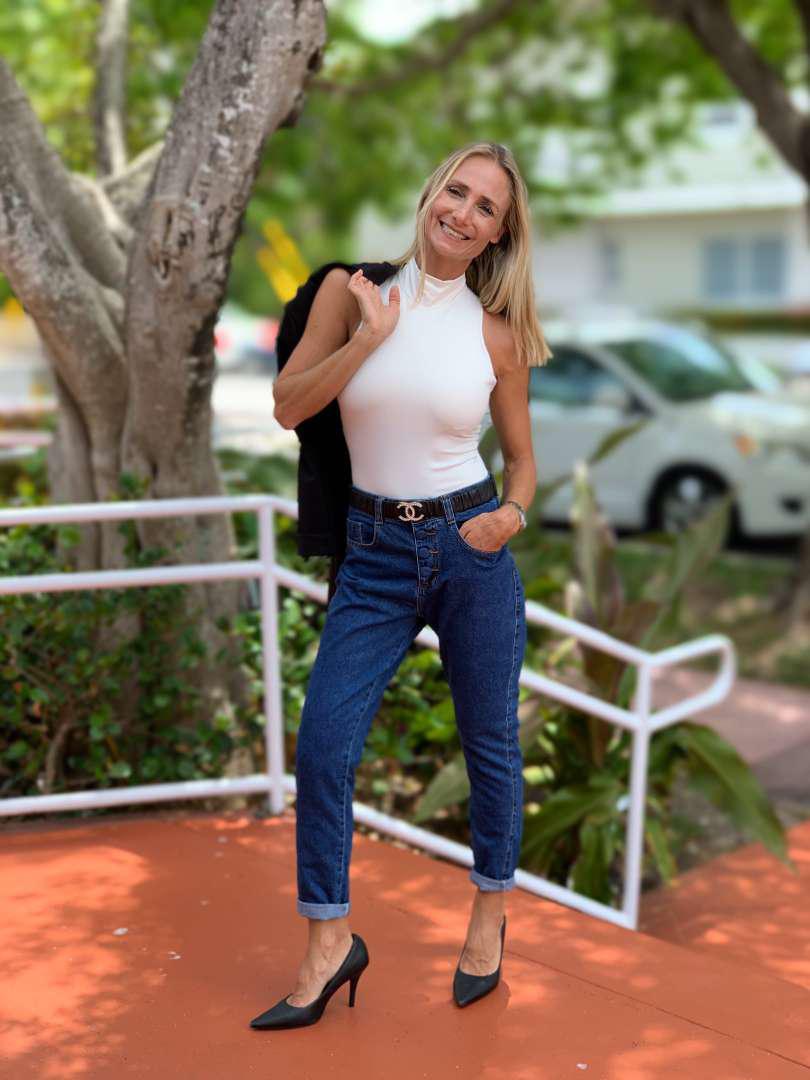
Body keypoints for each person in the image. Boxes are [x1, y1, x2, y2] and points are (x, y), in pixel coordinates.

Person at [249, 141, 552, 1030]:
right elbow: (289, 404)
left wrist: (510, 516)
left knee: (490, 742)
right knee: (323, 745)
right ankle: (329, 941)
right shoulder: (350, 292)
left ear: (499, 236)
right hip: (374, 550)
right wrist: (367, 340)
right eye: (457, 191)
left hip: (468, 546)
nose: (464, 211)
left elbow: (523, 463)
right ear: (430, 195)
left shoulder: (497, 333)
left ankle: (490, 913)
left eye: (486, 207)